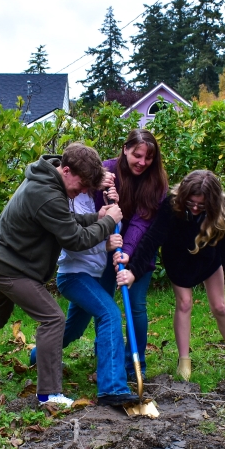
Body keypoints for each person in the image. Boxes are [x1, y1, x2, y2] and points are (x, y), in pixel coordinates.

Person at [0, 143, 122, 407]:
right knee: (53, 319)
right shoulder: (46, 193)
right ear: (66, 170)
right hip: (10, 267)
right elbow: (74, 239)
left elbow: (64, 219)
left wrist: (96, 216)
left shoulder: (48, 180)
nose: (81, 191)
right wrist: (108, 221)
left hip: (0, 258)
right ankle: (48, 394)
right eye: (80, 185)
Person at [32, 129, 168, 384]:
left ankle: (133, 365)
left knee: (136, 307)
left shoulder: (157, 183)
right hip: (100, 250)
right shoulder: (105, 170)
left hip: (137, 253)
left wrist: (126, 252)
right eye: (137, 155)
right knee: (96, 312)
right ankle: (103, 359)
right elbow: (83, 201)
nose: (141, 163)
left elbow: (141, 223)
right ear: (125, 148)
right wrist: (102, 188)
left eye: (148, 159)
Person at [117, 169, 225, 381]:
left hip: (209, 258)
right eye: (191, 203)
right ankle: (184, 361)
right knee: (185, 303)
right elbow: (152, 239)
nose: (196, 208)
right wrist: (133, 271)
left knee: (220, 306)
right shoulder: (172, 205)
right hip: (178, 259)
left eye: (201, 204)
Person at [29, 177, 137, 406]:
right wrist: (104, 245)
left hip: (91, 275)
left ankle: (37, 356)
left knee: (72, 330)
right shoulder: (68, 202)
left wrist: (113, 209)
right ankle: (112, 389)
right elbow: (72, 242)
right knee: (109, 313)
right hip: (73, 275)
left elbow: (110, 228)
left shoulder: (91, 198)